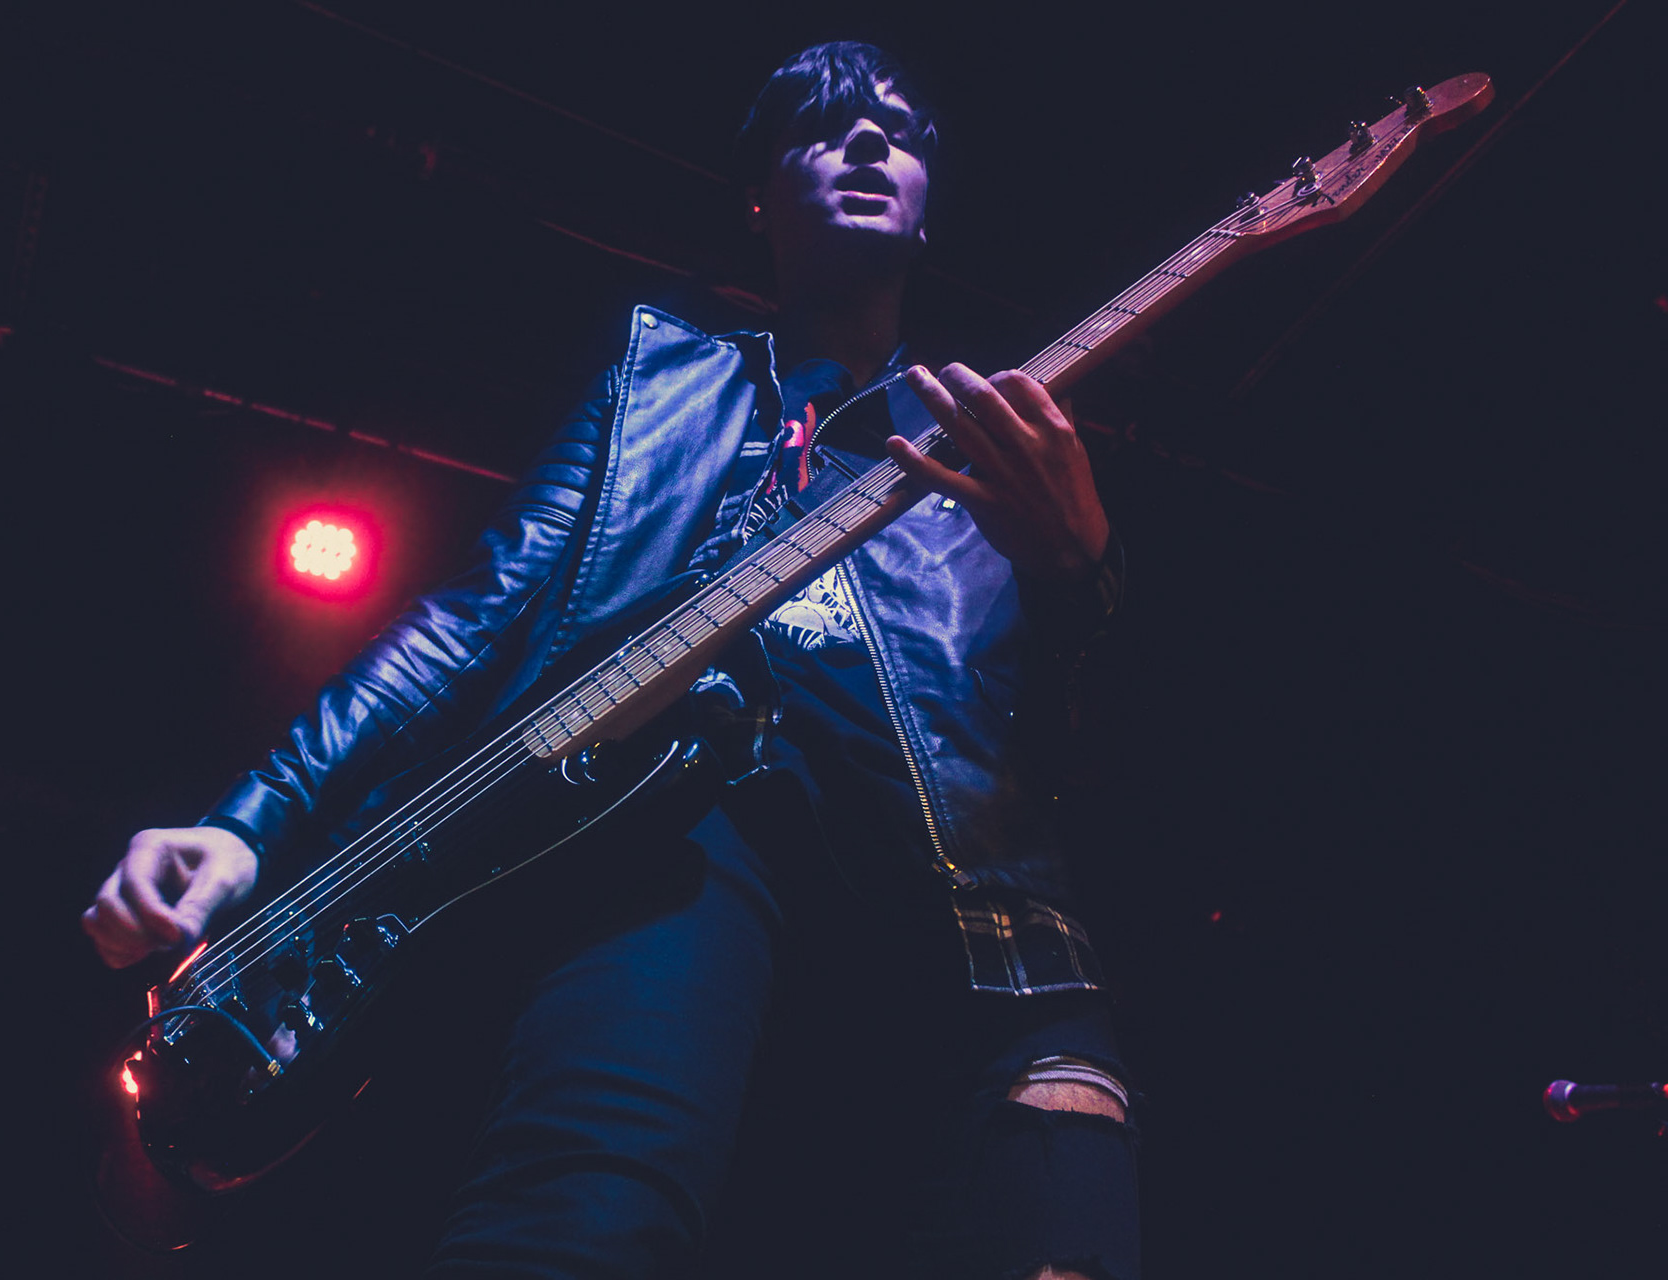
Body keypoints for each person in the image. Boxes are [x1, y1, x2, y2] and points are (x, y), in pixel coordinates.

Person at [84, 41, 1137, 1280]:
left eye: (900, 131)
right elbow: (473, 620)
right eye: (824, 126)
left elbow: (1094, 758)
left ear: (927, 206)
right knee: (573, 1224)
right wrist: (249, 823)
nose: (867, 141)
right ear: (758, 198)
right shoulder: (661, 380)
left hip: (972, 920)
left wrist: (1077, 573)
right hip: (675, 850)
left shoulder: (994, 433)